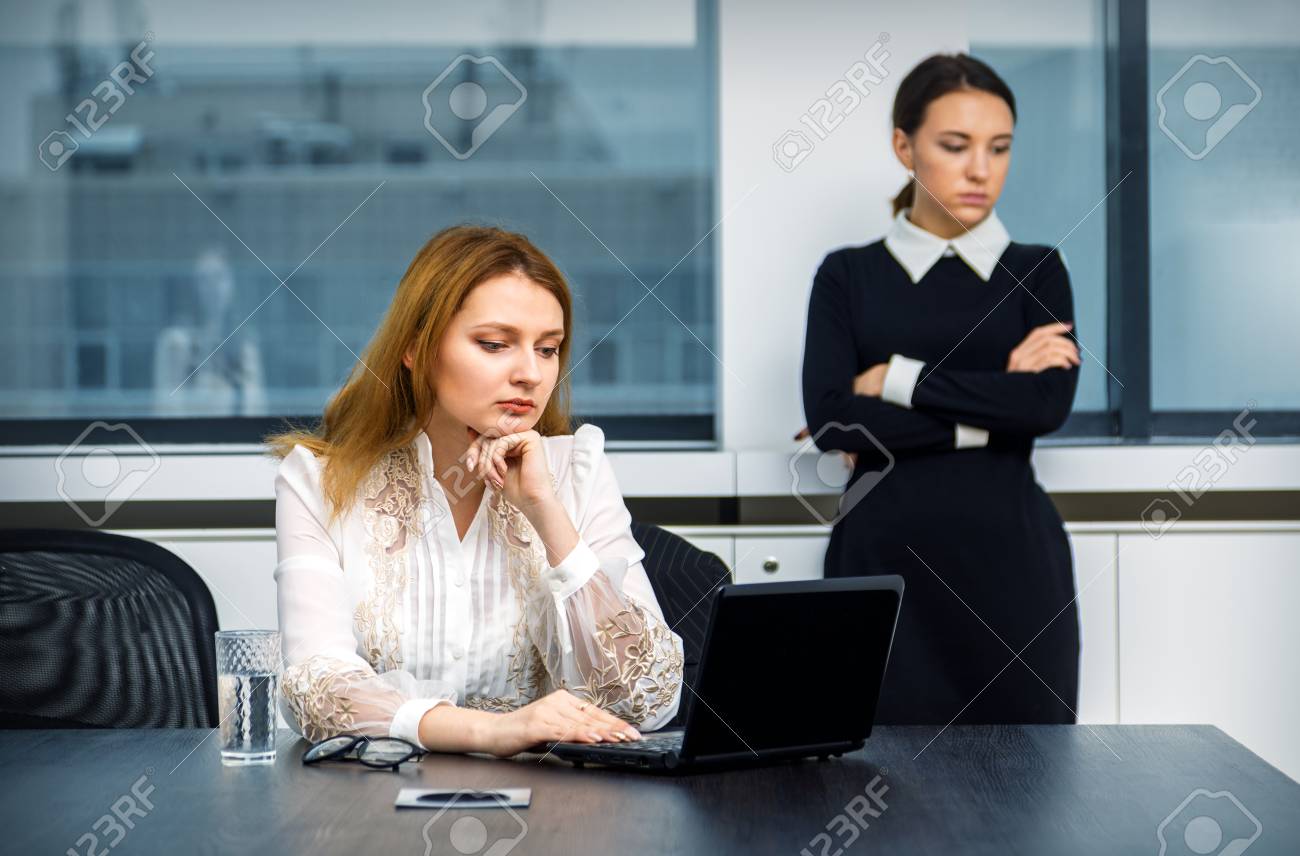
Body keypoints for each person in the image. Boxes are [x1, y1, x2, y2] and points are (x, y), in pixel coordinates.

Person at [267, 225, 684, 757]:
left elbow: (649, 699)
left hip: (554, 814)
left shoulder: (577, 469)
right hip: (371, 813)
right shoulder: (319, 482)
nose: (531, 374)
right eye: (494, 344)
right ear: (416, 348)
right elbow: (315, 693)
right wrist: (494, 732)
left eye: (549, 349)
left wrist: (545, 511)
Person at [799, 54, 1081, 724]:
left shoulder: (1036, 270)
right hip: (882, 565)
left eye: (999, 148)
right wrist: (996, 401)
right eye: (955, 146)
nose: (980, 170)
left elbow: (1046, 407)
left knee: (1029, 790)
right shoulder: (847, 275)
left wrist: (894, 380)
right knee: (871, 782)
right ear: (904, 145)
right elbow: (835, 423)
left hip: (1014, 571)